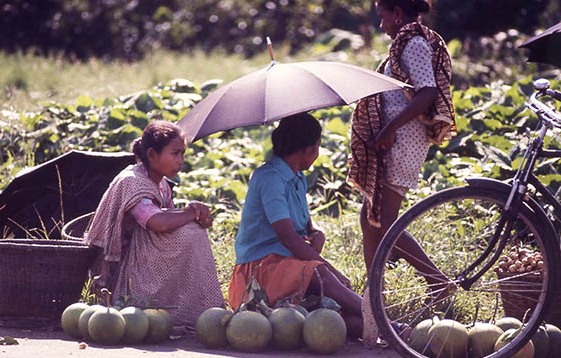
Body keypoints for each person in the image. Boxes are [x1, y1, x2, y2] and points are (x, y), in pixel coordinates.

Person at [348, 0, 457, 303]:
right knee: (369, 215)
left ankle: (437, 281)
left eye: (383, 17)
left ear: (397, 14)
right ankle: (374, 295)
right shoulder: (405, 43)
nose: (381, 25)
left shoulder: (414, 43)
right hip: (395, 140)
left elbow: (427, 92)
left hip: (403, 142)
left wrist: (390, 127)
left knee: (383, 220)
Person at [228, 112, 366, 340]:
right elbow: (289, 238)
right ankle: (389, 325)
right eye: (318, 147)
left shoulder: (298, 177)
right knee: (320, 274)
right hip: (258, 275)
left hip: (287, 266)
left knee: (350, 323)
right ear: (309, 149)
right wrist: (330, 268)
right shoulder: (269, 178)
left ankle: (377, 325)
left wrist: (315, 233)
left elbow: (304, 227)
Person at [84, 120, 224, 330]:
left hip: (144, 260)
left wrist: (195, 214)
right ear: (152, 155)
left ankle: (191, 306)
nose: (181, 160)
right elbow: (156, 223)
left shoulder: (161, 185)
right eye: (175, 153)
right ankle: (162, 305)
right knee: (191, 231)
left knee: (192, 229)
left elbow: (171, 221)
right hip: (123, 271)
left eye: (182, 154)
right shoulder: (132, 181)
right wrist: (191, 212)